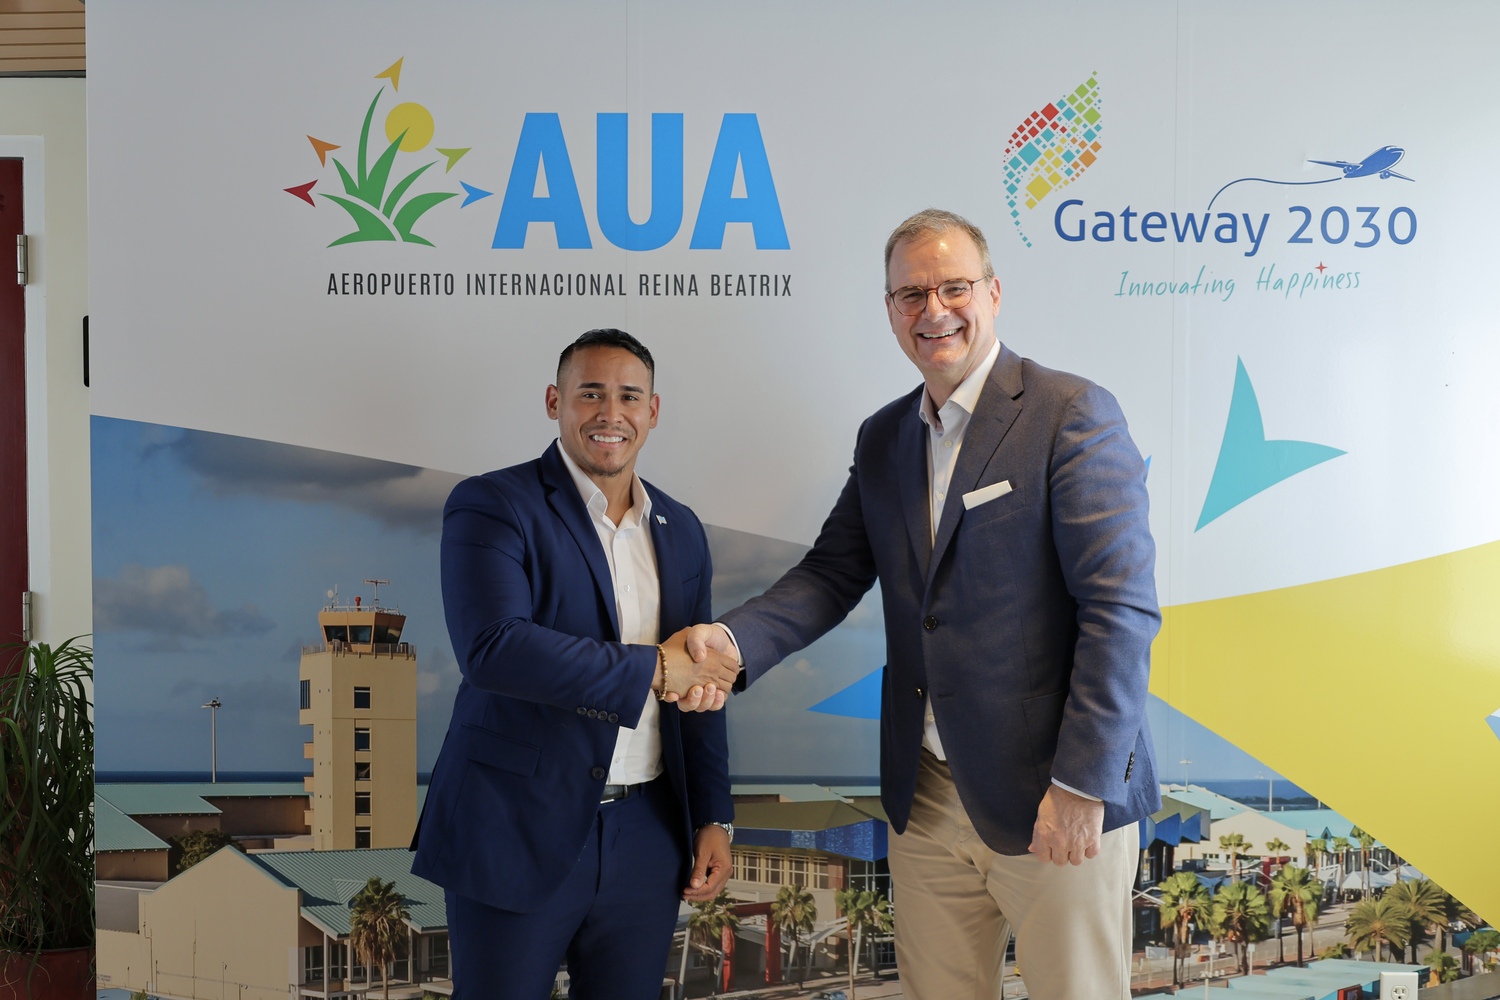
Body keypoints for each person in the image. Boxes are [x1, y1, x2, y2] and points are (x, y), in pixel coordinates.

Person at [687, 209, 1161, 999]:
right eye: (911, 294)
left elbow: (1121, 611)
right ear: (890, 310)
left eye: (953, 288)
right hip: (929, 793)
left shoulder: (1069, 412)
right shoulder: (884, 438)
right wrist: (734, 643)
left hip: (1053, 795)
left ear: (993, 293)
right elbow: (832, 573)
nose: (933, 310)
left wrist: (1083, 785)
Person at [412, 328, 739, 1000]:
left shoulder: (683, 529)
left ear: (653, 411)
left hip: (647, 834)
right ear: (554, 402)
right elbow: (493, 647)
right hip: (512, 825)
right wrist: (653, 669)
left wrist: (714, 815)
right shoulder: (492, 503)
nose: (610, 413)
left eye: (629, 397)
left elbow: (698, 678)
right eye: (590, 394)